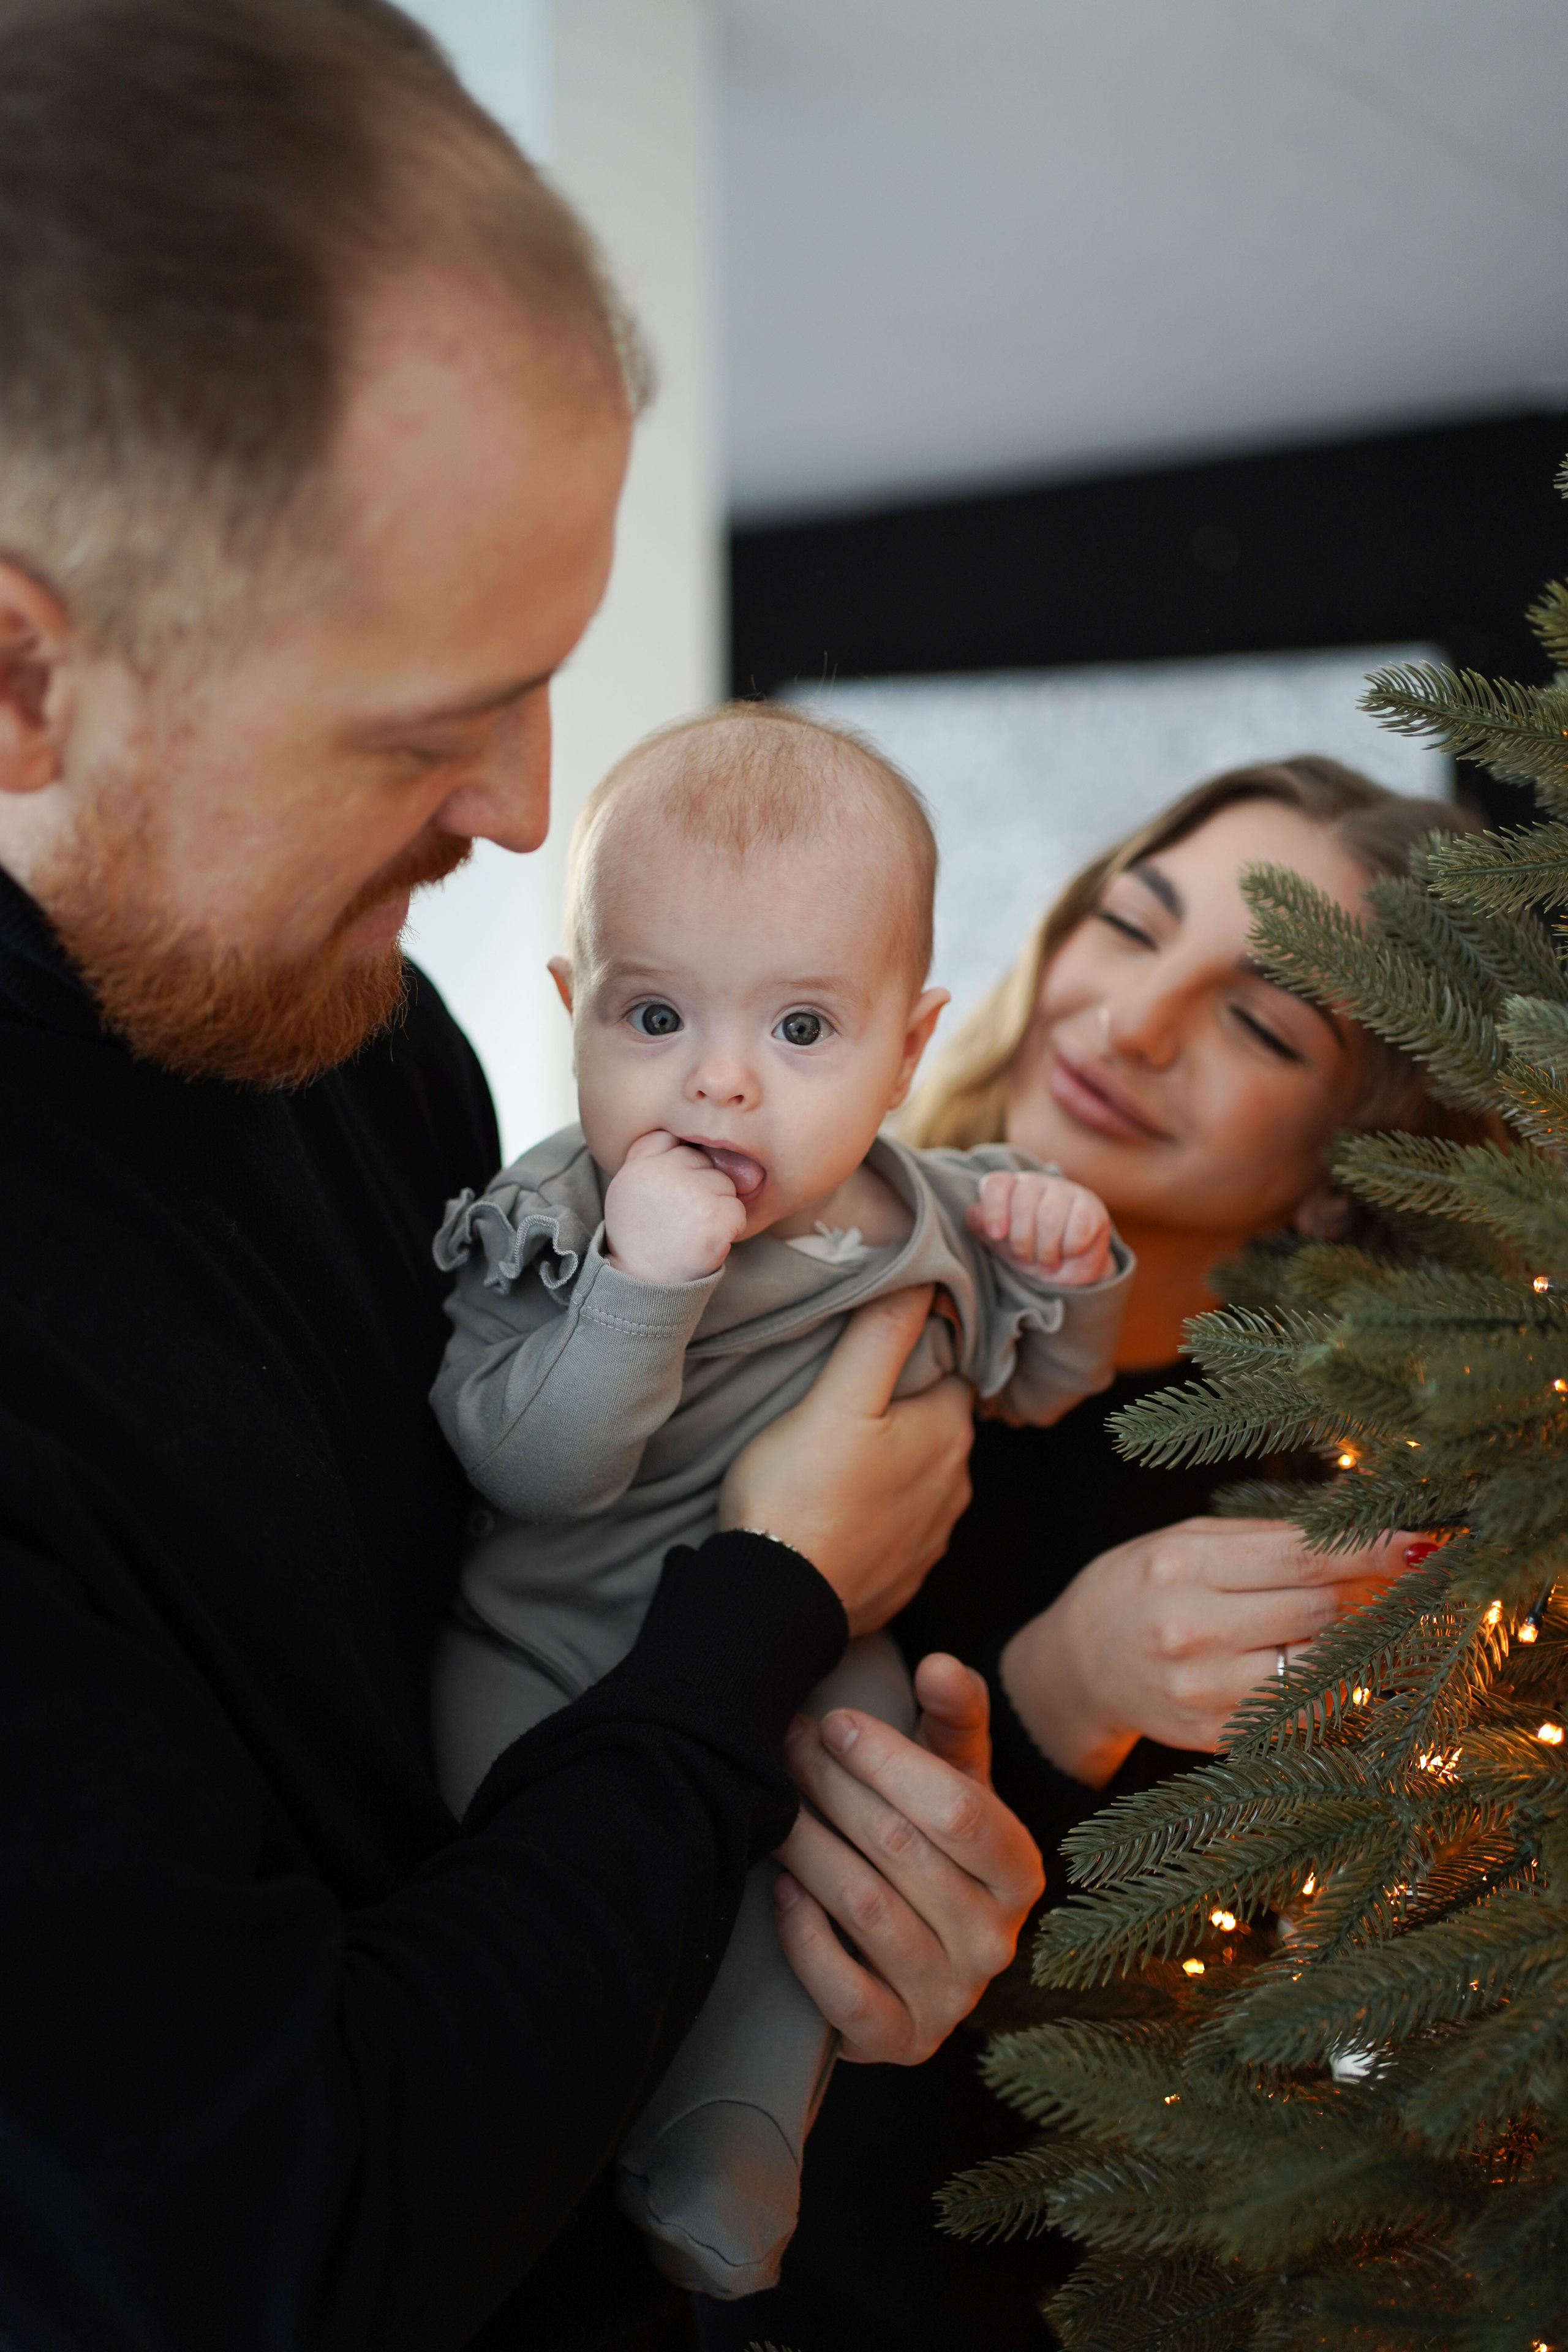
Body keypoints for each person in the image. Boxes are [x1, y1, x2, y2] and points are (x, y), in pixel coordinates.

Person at [0, 7, 1043, 2348]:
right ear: (18, 675)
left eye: (547, 675)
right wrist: (761, 1617)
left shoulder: (357, 1033)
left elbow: (474, 1751)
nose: (522, 804)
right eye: (429, 721)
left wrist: (801, 1891)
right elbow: (282, 2241)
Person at [695, 756, 1482, 2352]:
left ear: (1348, 1179)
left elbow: (1079, 2101)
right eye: (1131, 927)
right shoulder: (749, 1261)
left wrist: (1067, 1703)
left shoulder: (1299, 1536)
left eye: (1261, 1025)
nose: (1126, 1022)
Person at [427, 703, 1131, 2302]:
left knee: (828, 1856)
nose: (721, 1081)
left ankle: (737, 2128)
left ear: (910, 1047)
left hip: (819, 1660)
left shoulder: (932, 1218)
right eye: (654, 1015)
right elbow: (526, 1465)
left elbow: (1043, 1384)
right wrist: (638, 1290)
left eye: (804, 1029)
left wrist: (1073, 1267)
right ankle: (564, 2113)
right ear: (573, 1011)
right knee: (525, 1857)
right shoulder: (556, 1218)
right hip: (541, 1651)